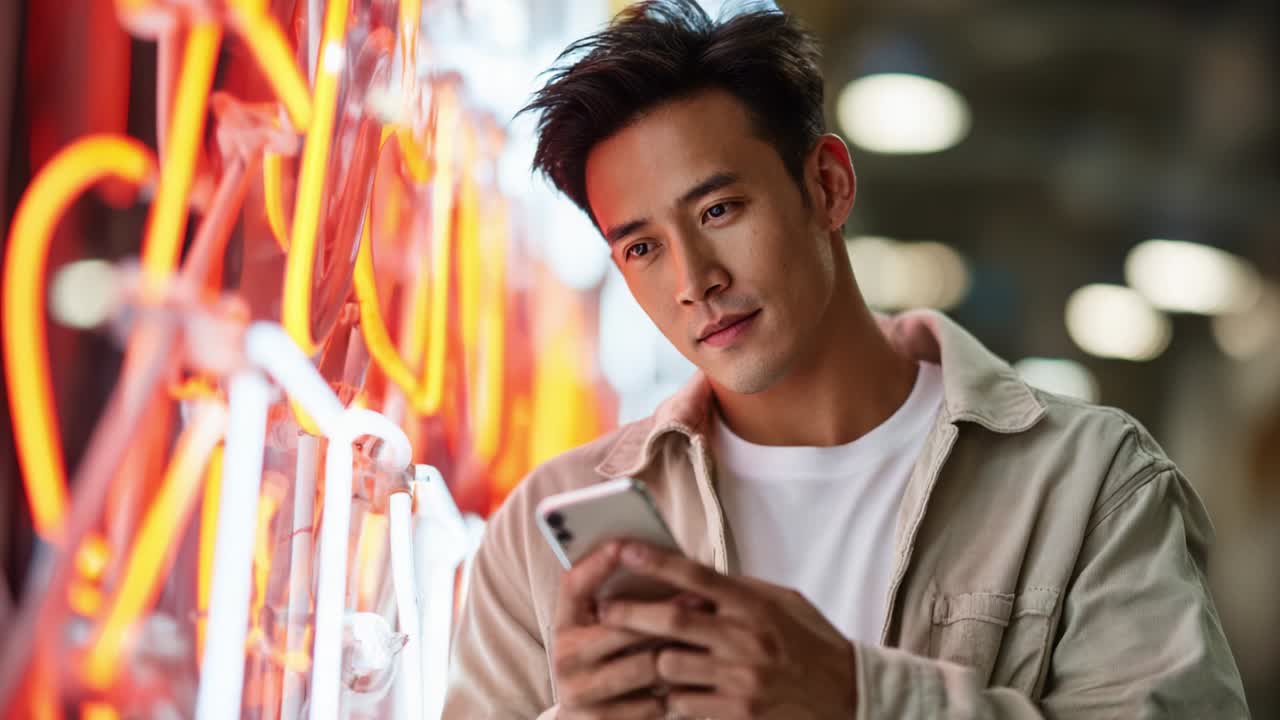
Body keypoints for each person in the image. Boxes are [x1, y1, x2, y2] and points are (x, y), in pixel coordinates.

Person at [442, 1, 1249, 717]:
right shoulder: (546, 524)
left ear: (827, 185)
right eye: (643, 246)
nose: (694, 281)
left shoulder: (1088, 480)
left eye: (719, 209)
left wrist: (855, 698)